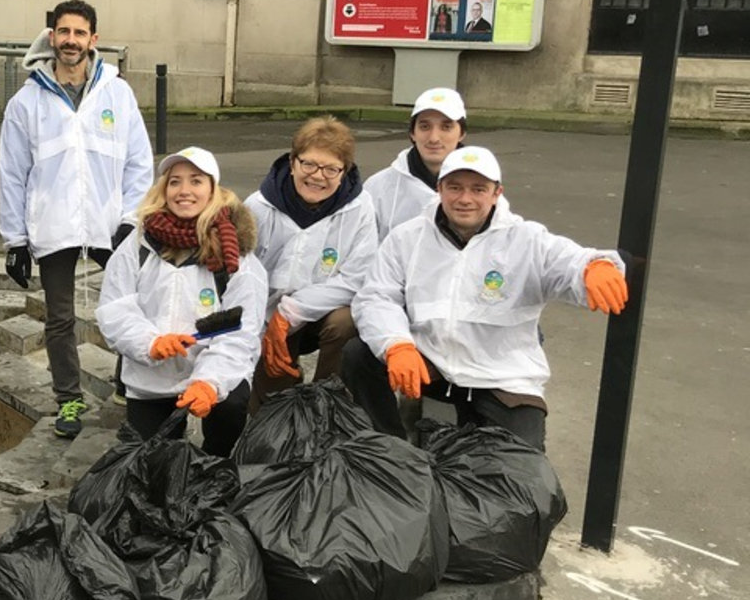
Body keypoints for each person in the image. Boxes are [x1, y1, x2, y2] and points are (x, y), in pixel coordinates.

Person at [343, 147, 628, 450]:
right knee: (359, 355)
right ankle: (389, 448)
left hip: (500, 377)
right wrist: (396, 344)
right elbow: (376, 296)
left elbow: (569, 261)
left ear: (496, 193)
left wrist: (594, 266)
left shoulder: (526, 239)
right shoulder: (407, 238)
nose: (465, 199)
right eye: (454, 187)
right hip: (433, 363)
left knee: (520, 472)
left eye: (478, 189)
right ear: (439, 189)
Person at [0, 0, 153, 439]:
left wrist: (130, 218)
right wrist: (15, 240)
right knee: (60, 317)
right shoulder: (27, 102)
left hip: (111, 222)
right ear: (52, 37)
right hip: (54, 223)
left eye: (79, 33)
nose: (70, 41)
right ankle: (69, 400)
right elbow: (12, 172)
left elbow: (139, 162)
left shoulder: (117, 94)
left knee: (135, 301)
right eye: (63, 32)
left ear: (93, 40)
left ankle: (131, 384)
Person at [96, 147, 267, 457]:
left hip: (215, 376)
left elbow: (242, 334)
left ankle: (217, 461)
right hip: (151, 378)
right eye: (175, 182)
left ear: (213, 188)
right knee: (149, 464)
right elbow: (114, 307)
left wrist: (208, 382)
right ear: (164, 189)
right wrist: (150, 342)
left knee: (229, 410)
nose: (184, 191)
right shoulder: (138, 245)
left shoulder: (236, 255)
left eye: (196, 181)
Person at [245, 117, 379, 405]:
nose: (318, 176)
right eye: (309, 164)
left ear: (345, 171)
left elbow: (358, 277)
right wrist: (266, 329)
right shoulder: (257, 207)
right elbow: (242, 279)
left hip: (323, 313)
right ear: (292, 162)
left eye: (331, 168)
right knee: (269, 409)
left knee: (348, 322)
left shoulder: (360, 207)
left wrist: (290, 313)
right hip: (267, 316)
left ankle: (327, 401)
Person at [364, 87, 468, 240]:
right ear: (413, 133)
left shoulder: (482, 186)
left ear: (462, 134)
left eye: (446, 127)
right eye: (425, 126)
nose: (434, 138)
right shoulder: (377, 188)